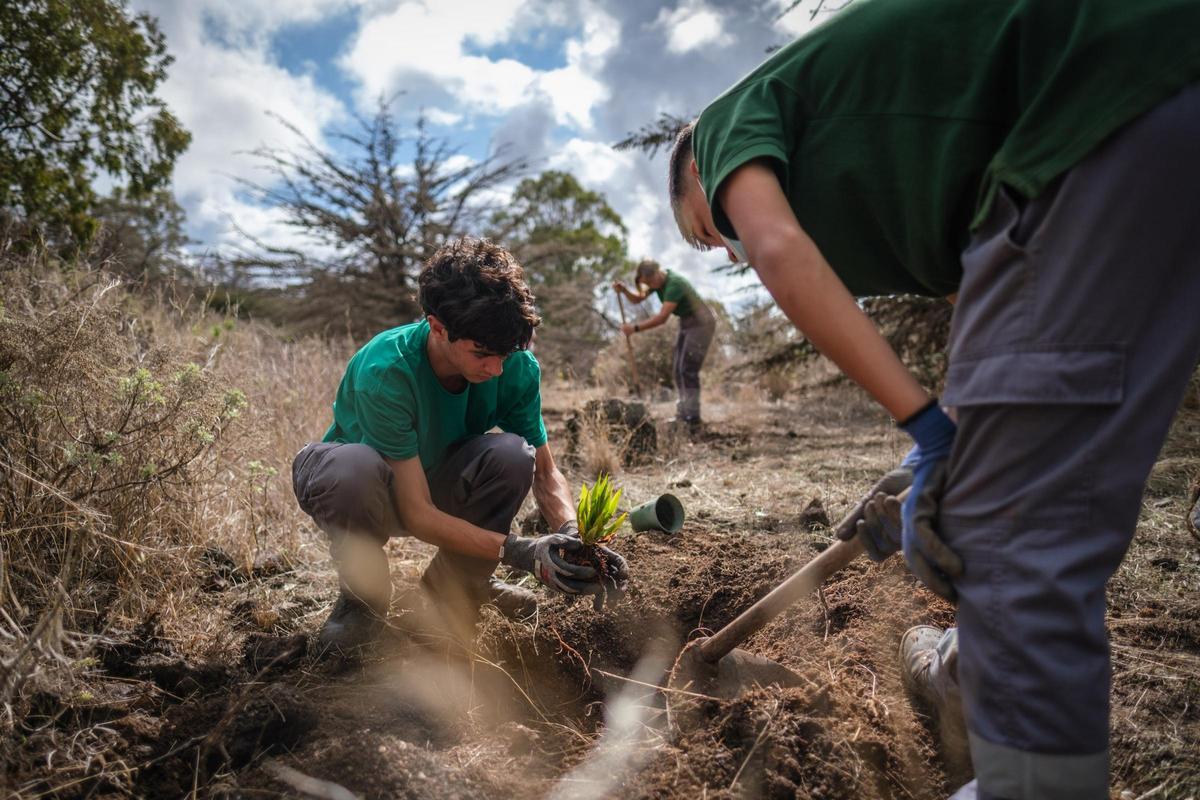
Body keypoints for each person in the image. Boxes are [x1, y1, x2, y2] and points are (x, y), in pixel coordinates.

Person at [668, 1, 1200, 797]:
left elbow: (778, 250)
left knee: (1006, 523)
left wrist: (931, 431)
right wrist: (951, 442)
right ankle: (965, 675)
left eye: (707, 232)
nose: (729, 249)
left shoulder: (722, 125)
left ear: (698, 175)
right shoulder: (931, 177)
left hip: (1110, 111)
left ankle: (1031, 781)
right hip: (1150, 108)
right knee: (1002, 495)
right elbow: (1002, 328)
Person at [293, 237, 629, 655]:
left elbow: (545, 472)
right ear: (438, 326)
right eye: (482, 353)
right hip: (362, 487)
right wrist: (520, 551)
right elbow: (417, 515)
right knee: (354, 469)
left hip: (435, 477)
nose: (496, 368)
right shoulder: (387, 370)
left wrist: (572, 537)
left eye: (506, 353)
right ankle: (363, 602)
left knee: (512, 454)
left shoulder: (513, 366)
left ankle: (455, 589)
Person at [612, 258, 716, 428]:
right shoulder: (657, 283)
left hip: (701, 323)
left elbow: (662, 318)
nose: (650, 286)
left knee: (687, 369)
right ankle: (684, 413)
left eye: (650, 282)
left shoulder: (675, 284)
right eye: (647, 284)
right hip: (686, 322)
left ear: (657, 273)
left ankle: (693, 419)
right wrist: (624, 291)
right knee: (677, 369)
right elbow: (638, 298)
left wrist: (635, 328)